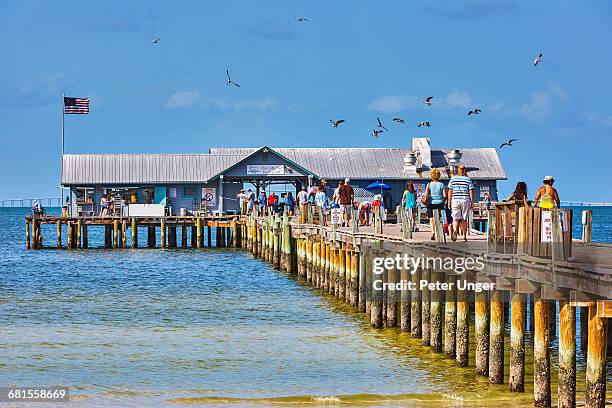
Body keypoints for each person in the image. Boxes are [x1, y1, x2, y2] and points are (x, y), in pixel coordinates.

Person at [447, 165, 474, 242]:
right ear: (464, 170)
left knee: (455, 218)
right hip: (465, 200)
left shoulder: (453, 179)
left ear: (457, 170)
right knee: (464, 219)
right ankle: (464, 236)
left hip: (455, 200)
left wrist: (449, 201)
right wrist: (472, 202)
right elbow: (471, 191)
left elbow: (450, 191)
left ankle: (455, 230)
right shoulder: (468, 179)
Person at [422, 168, 446, 240]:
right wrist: (444, 201)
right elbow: (444, 195)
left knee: (431, 218)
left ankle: (433, 232)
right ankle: (440, 231)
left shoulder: (429, 184)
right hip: (440, 203)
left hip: (431, 203)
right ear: (438, 176)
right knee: (440, 218)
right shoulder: (442, 184)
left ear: (432, 176)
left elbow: (426, 194)